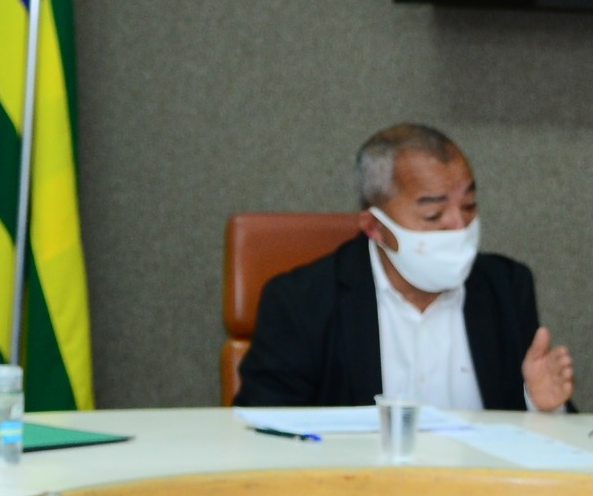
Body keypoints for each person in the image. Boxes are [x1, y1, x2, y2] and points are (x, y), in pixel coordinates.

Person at [232, 122, 575, 413]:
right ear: (374, 227)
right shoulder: (301, 302)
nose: (458, 225)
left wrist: (539, 405)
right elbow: (261, 430)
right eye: (433, 215)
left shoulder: (506, 287)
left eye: (469, 206)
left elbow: (541, 436)